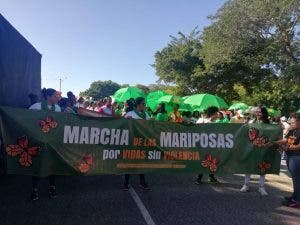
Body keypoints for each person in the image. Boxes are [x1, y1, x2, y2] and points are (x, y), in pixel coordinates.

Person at [29, 88, 61, 201]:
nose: (58, 98)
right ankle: (34, 190)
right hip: (39, 141)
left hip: (52, 142)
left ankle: (52, 187)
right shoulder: (35, 107)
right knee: (38, 165)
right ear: (48, 96)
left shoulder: (57, 108)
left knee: (52, 165)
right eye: (55, 96)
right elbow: (28, 122)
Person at [240, 106, 270, 196]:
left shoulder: (268, 123)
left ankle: (261, 187)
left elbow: (271, 133)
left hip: (263, 148)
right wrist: (244, 126)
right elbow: (245, 132)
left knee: (262, 167)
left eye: (260, 112)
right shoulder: (251, 121)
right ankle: (246, 185)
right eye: (257, 112)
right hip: (251, 148)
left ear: (264, 113)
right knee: (248, 167)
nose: (258, 113)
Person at [123, 97, 150, 191]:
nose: (145, 105)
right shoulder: (130, 114)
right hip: (131, 142)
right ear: (138, 104)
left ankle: (142, 182)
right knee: (129, 162)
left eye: (145, 104)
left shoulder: (146, 115)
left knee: (141, 162)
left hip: (142, 142)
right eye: (143, 104)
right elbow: (122, 126)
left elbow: (150, 127)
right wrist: (127, 120)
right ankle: (126, 183)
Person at [276, 114, 300, 208]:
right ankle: (295, 196)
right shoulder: (293, 131)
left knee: (297, 180)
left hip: (297, 158)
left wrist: (288, 148)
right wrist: (274, 142)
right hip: (291, 156)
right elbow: (287, 141)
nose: (291, 124)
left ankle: (297, 201)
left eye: (293, 122)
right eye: (291, 122)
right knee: (295, 179)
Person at [195, 106, 220, 184]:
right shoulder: (201, 120)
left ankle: (211, 177)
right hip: (203, 145)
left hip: (211, 145)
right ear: (212, 114)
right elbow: (195, 129)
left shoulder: (214, 123)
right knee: (203, 160)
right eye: (216, 114)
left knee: (212, 160)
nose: (217, 115)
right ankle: (199, 178)